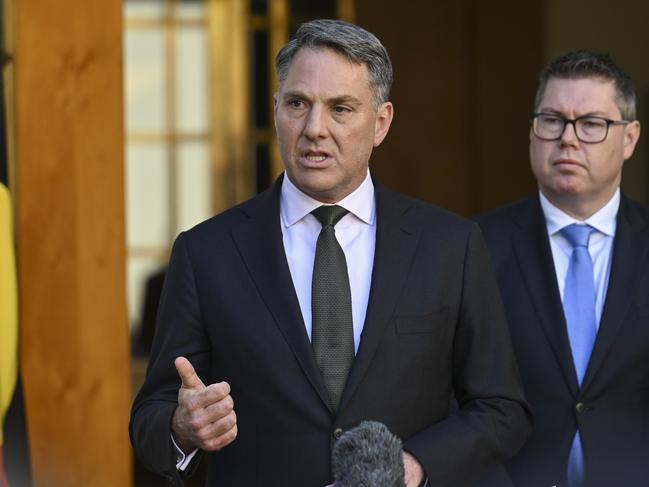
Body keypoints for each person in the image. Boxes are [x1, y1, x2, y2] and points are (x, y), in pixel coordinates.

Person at [130, 19, 531, 487]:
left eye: (340, 108)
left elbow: (503, 410)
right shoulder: (206, 253)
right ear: (276, 108)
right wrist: (183, 427)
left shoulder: (451, 247)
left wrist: (413, 468)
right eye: (298, 103)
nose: (314, 128)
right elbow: (151, 419)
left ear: (380, 123)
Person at [477, 50, 645, 487]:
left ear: (629, 138)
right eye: (552, 120)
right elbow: (454, 399)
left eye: (591, 123)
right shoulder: (473, 248)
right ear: (532, 133)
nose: (568, 139)